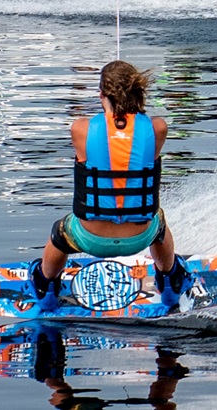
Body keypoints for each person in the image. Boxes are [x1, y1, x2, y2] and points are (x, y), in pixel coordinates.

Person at [26, 61, 193, 311]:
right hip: (140, 237)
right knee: (159, 222)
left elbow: (101, 139)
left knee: (59, 233)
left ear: (102, 95)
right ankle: (170, 283)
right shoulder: (158, 128)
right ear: (138, 92)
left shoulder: (81, 129)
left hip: (89, 238)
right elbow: (138, 140)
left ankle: (45, 286)